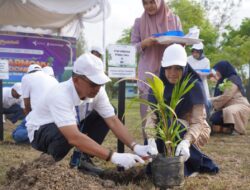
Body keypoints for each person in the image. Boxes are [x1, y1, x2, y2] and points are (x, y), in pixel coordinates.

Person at [25, 53, 157, 175]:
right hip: (40, 130)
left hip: (71, 124)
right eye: (93, 84)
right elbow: (73, 137)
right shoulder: (60, 94)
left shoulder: (98, 91)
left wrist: (135, 146)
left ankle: (84, 158)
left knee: (108, 112)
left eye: (100, 84)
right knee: (65, 135)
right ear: (76, 80)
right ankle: (47, 165)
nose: (97, 88)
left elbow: (113, 120)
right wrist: (113, 156)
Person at [147, 44, 219, 176]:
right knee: (162, 127)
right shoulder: (157, 86)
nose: (172, 73)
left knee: (173, 125)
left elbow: (198, 121)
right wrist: (151, 140)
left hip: (194, 131)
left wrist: (186, 142)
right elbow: (151, 117)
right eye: (168, 68)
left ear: (185, 67)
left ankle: (189, 166)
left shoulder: (193, 85)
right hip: (166, 128)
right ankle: (164, 164)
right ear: (163, 67)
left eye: (178, 68)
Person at [131, 0, 182, 141]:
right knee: (148, 114)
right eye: (145, 3)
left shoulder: (174, 19)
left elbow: (180, 46)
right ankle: (150, 150)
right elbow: (131, 49)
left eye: (152, 2)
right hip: (148, 73)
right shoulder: (139, 22)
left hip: (170, 72)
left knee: (169, 111)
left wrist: (182, 43)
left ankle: (169, 149)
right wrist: (144, 43)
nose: (149, 6)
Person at [209, 61, 250, 135]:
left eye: (218, 70)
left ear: (223, 69)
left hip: (239, 105)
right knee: (214, 118)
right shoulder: (221, 80)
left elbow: (226, 96)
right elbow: (218, 96)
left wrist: (211, 101)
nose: (217, 72)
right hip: (226, 106)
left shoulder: (233, 79)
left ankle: (237, 129)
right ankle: (226, 129)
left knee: (228, 111)